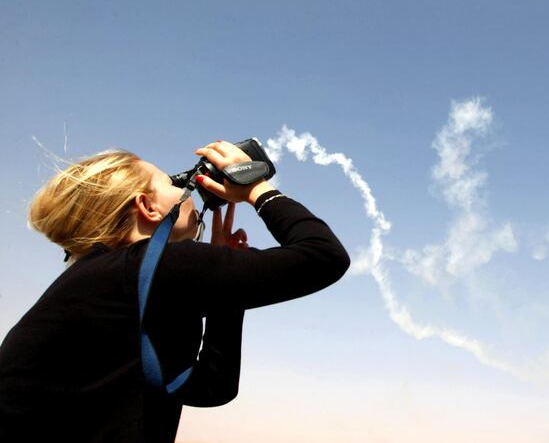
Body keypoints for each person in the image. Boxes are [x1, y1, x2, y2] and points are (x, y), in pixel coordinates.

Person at [0, 140, 350, 442]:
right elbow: (324, 256)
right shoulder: (138, 268)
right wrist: (257, 189)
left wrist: (225, 294)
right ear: (148, 208)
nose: (190, 189)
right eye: (172, 182)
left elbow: (211, 387)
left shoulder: (112, 279)